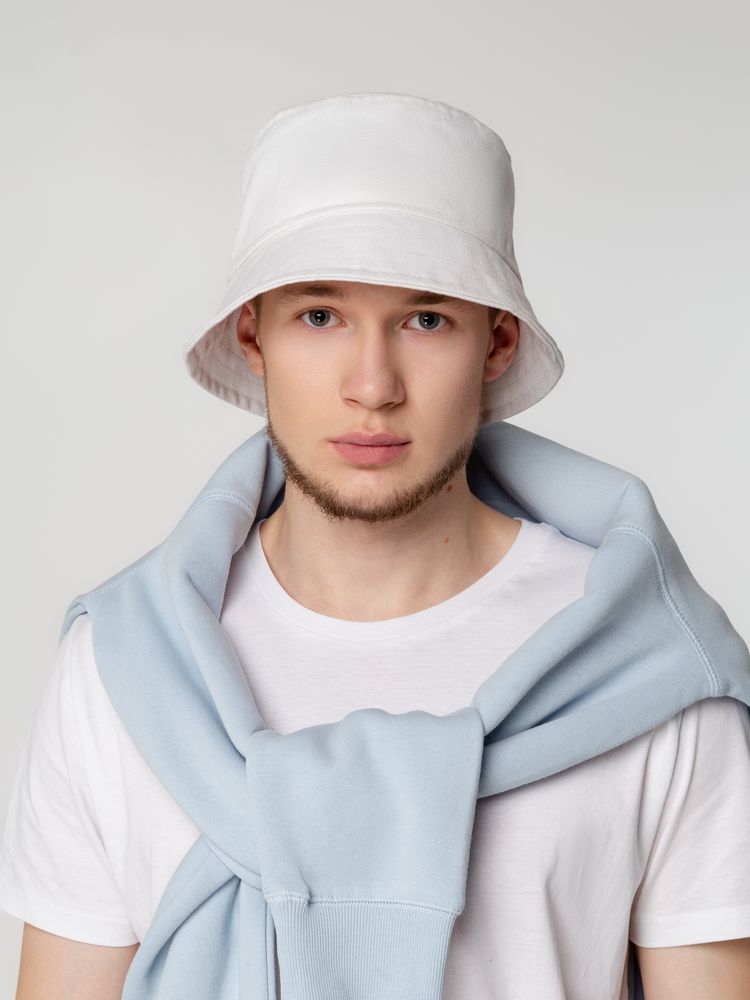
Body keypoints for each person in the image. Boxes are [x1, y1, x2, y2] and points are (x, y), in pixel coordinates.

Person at [2, 92, 750, 1000]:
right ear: (254, 338)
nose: (372, 385)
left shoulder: (650, 674)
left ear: (496, 345)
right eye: (320, 315)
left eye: (426, 320)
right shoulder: (122, 668)